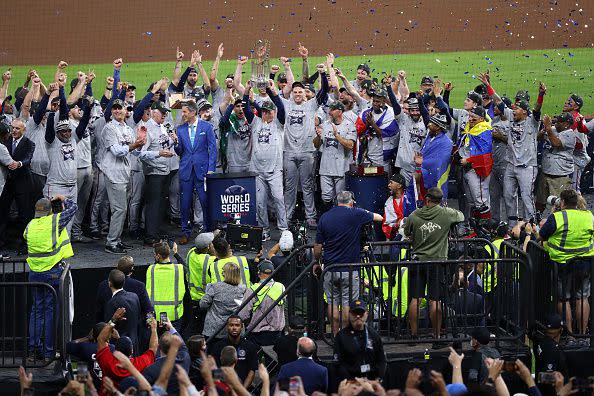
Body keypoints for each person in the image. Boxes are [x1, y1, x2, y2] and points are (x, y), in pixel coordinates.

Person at [314, 191, 383, 334]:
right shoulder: (356, 213)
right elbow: (379, 217)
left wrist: (316, 261)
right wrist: (361, 211)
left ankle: (335, 337)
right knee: (347, 305)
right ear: (351, 202)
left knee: (332, 303)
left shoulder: (324, 217)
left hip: (330, 269)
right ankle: (346, 338)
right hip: (350, 270)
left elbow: (318, 247)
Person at [404, 187, 464, 345]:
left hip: (418, 261)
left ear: (427, 199)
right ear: (441, 200)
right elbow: (461, 216)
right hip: (437, 262)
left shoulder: (415, 215)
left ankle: (413, 336)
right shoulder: (446, 213)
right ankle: (437, 336)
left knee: (415, 299)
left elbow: (406, 231)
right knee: (434, 300)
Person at [24, 195, 76, 362]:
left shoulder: (30, 225)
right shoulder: (55, 221)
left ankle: (33, 351)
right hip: (51, 274)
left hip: (34, 274)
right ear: (50, 211)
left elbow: (26, 237)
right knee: (50, 313)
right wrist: (64, 199)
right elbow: (73, 208)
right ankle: (48, 353)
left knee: (36, 312)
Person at [539, 188, 594, 340]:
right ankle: (583, 335)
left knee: (564, 300)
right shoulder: (588, 216)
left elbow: (542, 235)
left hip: (563, 265)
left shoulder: (557, 217)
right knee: (582, 298)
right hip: (585, 264)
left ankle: (570, 335)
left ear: (562, 202)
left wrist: (551, 214)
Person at [242, 80, 288, 241]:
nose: (267, 113)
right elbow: (245, 107)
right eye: (265, 111)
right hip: (258, 171)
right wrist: (247, 90)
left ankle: (283, 229)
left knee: (279, 199)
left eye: (270, 111)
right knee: (260, 203)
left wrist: (271, 90)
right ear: (261, 112)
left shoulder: (279, 123)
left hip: (275, 170)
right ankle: (264, 229)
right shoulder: (255, 122)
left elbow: (281, 106)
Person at [100, 98, 146, 254]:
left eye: (120, 108)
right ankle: (111, 242)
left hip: (124, 174)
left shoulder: (127, 129)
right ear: (112, 111)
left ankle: (117, 240)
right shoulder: (109, 129)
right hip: (113, 173)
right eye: (115, 108)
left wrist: (145, 145)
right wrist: (135, 145)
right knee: (119, 209)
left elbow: (137, 152)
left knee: (122, 209)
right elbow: (117, 151)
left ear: (126, 110)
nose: (118, 110)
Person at [173, 100, 217, 243]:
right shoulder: (180, 129)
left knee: (205, 201)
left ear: (193, 112)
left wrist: (211, 169)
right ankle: (186, 232)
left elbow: (213, 149)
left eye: (185, 112)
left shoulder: (207, 127)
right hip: (186, 171)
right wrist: (175, 143)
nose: (183, 114)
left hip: (203, 171)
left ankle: (208, 230)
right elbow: (180, 152)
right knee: (185, 203)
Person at [137, 101, 175, 245]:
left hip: (164, 171)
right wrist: (159, 153)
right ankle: (150, 236)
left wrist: (172, 141)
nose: (164, 114)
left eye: (165, 112)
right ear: (153, 112)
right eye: (161, 111)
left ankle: (156, 232)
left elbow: (162, 146)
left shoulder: (162, 127)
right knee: (153, 205)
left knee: (160, 204)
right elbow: (141, 153)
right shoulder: (146, 129)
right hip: (154, 173)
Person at [96, 307, 157, 392]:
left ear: (115, 350)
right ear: (132, 351)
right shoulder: (139, 363)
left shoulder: (108, 361)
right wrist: (154, 329)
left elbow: (101, 339)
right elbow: (153, 349)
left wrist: (114, 319)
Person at [313, 101, 356, 212]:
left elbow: (350, 145)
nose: (329, 112)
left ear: (340, 111)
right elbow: (316, 145)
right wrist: (318, 136)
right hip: (326, 167)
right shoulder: (325, 125)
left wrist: (337, 135)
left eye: (332, 109)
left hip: (341, 168)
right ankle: (327, 218)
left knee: (340, 198)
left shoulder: (349, 125)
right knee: (326, 197)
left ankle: (339, 221)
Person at [0, 118, 35, 253]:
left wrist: (19, 164)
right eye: (12, 127)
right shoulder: (5, 142)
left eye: (17, 128)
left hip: (22, 183)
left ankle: (24, 244)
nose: (14, 130)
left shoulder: (29, 143)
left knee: (24, 215)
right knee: (2, 214)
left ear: (24, 130)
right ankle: (2, 243)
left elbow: (28, 158)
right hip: (6, 185)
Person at [333, 299, 386, 381]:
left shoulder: (373, 334)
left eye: (361, 313)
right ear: (349, 314)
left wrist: (378, 379)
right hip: (351, 383)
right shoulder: (341, 336)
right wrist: (351, 382)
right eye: (354, 313)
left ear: (367, 314)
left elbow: (382, 360)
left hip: (371, 381)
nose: (358, 316)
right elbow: (338, 364)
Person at [95, 255, 153, 325]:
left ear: (117, 268)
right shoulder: (139, 286)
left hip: (109, 329)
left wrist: (100, 329)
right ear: (131, 271)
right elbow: (149, 310)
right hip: (132, 331)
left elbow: (98, 311)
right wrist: (149, 325)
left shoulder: (103, 285)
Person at [239, 260, 286, 346]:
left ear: (258, 273)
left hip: (256, 336)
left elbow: (243, 315)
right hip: (277, 334)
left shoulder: (252, 290)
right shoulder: (281, 287)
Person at [536, 113, 575, 212]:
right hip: (546, 173)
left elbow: (556, 143)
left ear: (566, 124)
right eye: (556, 121)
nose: (556, 124)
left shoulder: (570, 134)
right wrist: (544, 129)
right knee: (540, 202)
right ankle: (538, 222)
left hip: (560, 176)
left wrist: (548, 128)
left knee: (558, 204)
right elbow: (538, 138)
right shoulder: (552, 129)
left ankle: (558, 224)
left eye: (559, 122)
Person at [146, 242, 187, 333]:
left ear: (158, 256)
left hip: (156, 315)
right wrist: (176, 253)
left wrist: (157, 259)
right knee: (173, 344)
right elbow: (186, 268)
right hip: (174, 315)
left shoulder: (151, 269)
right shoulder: (179, 269)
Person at [141, 319, 191, 395]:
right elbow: (183, 347)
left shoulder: (151, 370)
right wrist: (171, 327)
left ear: (159, 347)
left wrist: (154, 329)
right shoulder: (184, 358)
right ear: (176, 346)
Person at [209, 315, 259, 388]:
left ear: (242, 327)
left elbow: (252, 371)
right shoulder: (218, 346)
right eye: (231, 325)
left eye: (237, 325)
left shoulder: (250, 347)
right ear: (227, 326)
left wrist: (242, 391)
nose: (234, 328)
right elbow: (214, 368)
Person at [200, 262, 247, 339]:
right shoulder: (243, 289)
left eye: (223, 271)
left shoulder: (214, 287)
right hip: (235, 330)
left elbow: (203, 304)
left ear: (225, 274)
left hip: (214, 330)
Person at [103, 269, 143, 355]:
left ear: (109, 283)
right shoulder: (134, 296)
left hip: (120, 349)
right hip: (134, 346)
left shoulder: (112, 303)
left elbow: (108, 327)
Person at [66, 322, 116, 389]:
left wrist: (87, 338)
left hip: (89, 387)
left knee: (82, 361)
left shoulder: (84, 346)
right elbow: (125, 350)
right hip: (107, 387)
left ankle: (82, 386)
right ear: (108, 335)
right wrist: (118, 338)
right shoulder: (113, 348)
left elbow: (68, 346)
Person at [186, 232, 216, 335]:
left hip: (192, 298)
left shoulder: (191, 253)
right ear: (208, 247)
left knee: (194, 328)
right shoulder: (209, 260)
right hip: (204, 299)